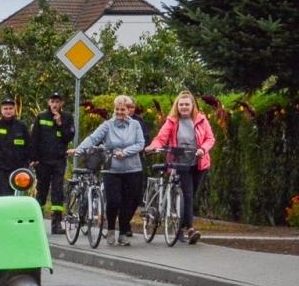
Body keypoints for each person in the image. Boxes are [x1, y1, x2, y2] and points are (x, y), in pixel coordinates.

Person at [75, 95, 146, 246]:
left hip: (132, 169)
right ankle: (112, 229)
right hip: (112, 169)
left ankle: (123, 232)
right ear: (114, 109)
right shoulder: (108, 125)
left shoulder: (135, 125)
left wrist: (125, 152)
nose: (120, 112)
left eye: (123, 109)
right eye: (117, 109)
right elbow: (93, 138)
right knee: (114, 201)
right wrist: (79, 149)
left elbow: (140, 144)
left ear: (128, 110)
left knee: (129, 202)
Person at [146, 90, 215, 244]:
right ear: (177, 106)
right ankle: (189, 229)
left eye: (187, 104)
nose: (184, 107)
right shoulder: (172, 121)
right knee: (187, 196)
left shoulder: (201, 120)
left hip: (198, 162)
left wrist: (202, 149)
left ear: (192, 106)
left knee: (191, 196)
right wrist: (153, 147)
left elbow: (210, 138)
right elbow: (161, 138)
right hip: (180, 163)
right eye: (181, 104)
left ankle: (180, 227)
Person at [30, 91, 71, 233]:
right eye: (52, 101)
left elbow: (69, 137)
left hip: (59, 160)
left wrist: (60, 123)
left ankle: (56, 223)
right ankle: (37, 221)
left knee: (58, 191)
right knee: (42, 190)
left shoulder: (67, 118)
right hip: (43, 161)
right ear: (49, 103)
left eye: (58, 102)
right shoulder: (41, 117)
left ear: (62, 104)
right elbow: (34, 139)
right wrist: (34, 158)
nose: (55, 104)